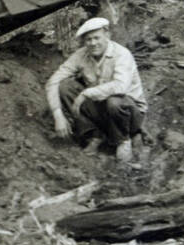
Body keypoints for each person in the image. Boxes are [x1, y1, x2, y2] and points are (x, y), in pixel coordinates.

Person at [46, 16, 147, 162]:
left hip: (130, 113)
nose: (93, 43)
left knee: (114, 101)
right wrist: (58, 115)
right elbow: (53, 81)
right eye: (88, 39)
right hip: (103, 110)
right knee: (65, 87)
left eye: (96, 38)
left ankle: (124, 140)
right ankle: (95, 135)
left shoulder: (121, 54)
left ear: (107, 35)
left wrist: (86, 93)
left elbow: (121, 86)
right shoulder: (81, 55)